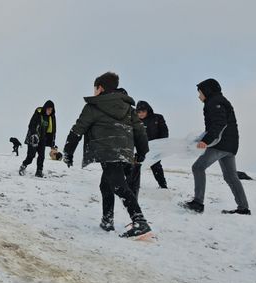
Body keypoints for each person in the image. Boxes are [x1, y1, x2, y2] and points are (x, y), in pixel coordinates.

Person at [63, 72, 152, 238]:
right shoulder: (128, 108)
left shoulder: (93, 106)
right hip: (124, 152)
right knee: (106, 185)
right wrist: (141, 153)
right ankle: (107, 220)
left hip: (108, 150)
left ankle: (140, 221)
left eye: (95, 88)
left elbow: (78, 129)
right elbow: (140, 131)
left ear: (100, 88)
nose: (94, 91)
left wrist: (68, 151)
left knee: (118, 186)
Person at [182, 79, 251, 215]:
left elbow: (219, 123)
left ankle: (198, 203)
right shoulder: (219, 100)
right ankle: (243, 208)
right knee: (231, 176)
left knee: (198, 167)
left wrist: (206, 141)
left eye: (200, 93)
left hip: (221, 144)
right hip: (230, 145)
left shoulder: (214, 102)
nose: (199, 96)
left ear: (207, 91)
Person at [135, 101, 169, 189]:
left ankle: (163, 186)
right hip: (140, 148)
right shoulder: (135, 121)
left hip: (155, 148)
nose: (141, 114)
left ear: (148, 110)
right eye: (138, 112)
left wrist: (161, 144)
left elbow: (164, 132)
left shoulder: (157, 118)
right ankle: (134, 185)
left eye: (143, 111)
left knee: (156, 166)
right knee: (135, 166)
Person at [19, 101, 56, 177]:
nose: (50, 111)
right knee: (31, 156)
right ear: (45, 108)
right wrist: (33, 134)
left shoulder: (51, 117)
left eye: (51, 110)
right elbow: (31, 125)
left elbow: (53, 130)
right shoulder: (38, 113)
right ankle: (23, 165)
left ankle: (39, 171)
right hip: (34, 138)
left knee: (42, 156)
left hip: (43, 139)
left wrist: (52, 142)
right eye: (48, 109)